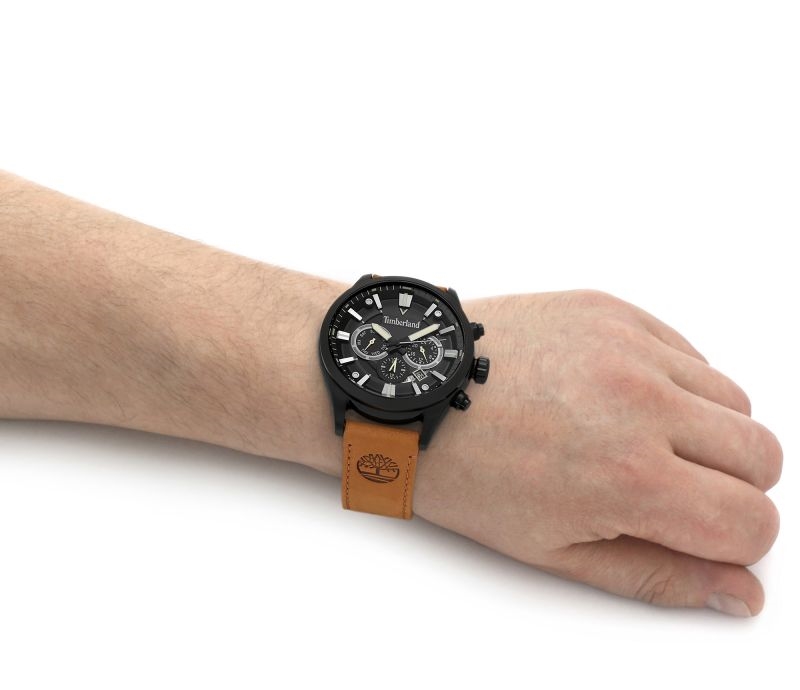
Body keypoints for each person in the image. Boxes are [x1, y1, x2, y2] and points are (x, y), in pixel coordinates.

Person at [0, 171, 782, 616]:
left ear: (466, 360)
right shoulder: (401, 372)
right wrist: (290, 364)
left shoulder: (435, 354)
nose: (406, 348)